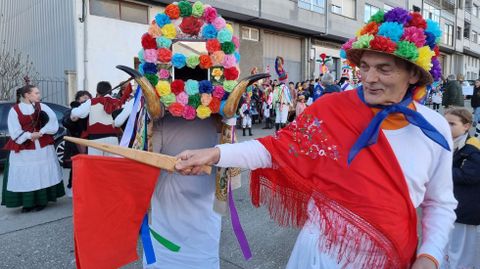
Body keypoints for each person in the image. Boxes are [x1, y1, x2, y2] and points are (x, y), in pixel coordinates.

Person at [175, 8, 457, 269]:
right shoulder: (330, 109)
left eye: (384, 69)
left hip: (389, 256)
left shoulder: (434, 128)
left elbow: (440, 203)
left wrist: (429, 256)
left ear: (413, 74)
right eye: (365, 66)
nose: (369, 78)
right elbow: (274, 149)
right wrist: (215, 154)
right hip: (319, 254)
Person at [1, 85, 64, 212]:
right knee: (27, 174)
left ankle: (42, 201)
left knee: (41, 172)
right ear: (27, 95)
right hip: (25, 147)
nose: (39, 95)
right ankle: (27, 203)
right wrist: (30, 135)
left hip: (42, 147)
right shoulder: (15, 110)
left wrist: (41, 132)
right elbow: (14, 131)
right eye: (36, 93)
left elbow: (53, 123)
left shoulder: (43, 107)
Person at [441, 108, 480, 269]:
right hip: (451, 208)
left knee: (462, 254)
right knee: (447, 249)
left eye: (452, 124)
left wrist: (440, 169)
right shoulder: (449, 143)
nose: (446, 127)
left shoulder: (472, 148)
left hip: (466, 211)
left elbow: (470, 175)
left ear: (466, 126)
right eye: (445, 123)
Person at [70, 81, 123, 156]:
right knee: (111, 164)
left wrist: (73, 111)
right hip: (113, 139)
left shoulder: (91, 102)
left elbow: (77, 113)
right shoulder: (118, 102)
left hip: (96, 140)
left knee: (96, 165)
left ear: (97, 91)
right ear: (110, 91)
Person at [62, 90, 92, 196]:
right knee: (76, 168)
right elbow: (65, 121)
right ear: (78, 99)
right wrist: (71, 119)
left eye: (88, 97)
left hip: (88, 142)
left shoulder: (90, 110)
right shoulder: (73, 110)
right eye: (84, 97)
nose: (86, 99)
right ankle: (71, 186)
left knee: (88, 168)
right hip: (75, 142)